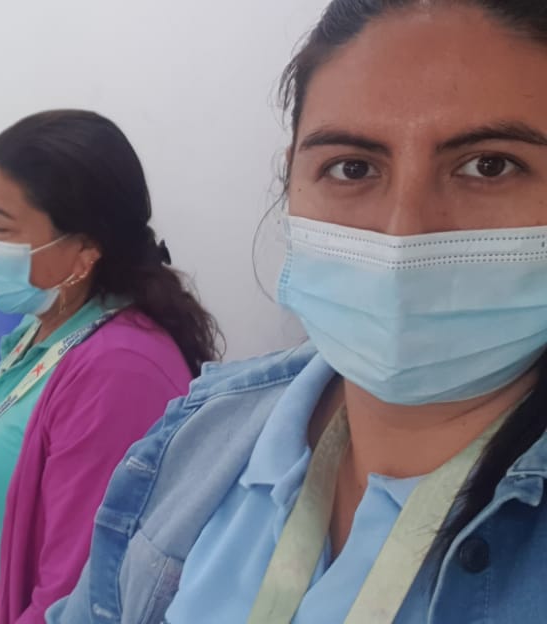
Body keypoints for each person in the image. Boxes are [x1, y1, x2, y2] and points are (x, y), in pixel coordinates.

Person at [49, 2, 547, 623]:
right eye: (352, 167)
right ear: (292, 183)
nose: (403, 232)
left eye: (489, 166)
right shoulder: (200, 434)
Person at [0, 110, 221, 624]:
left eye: (0, 226)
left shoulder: (118, 375)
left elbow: (71, 602)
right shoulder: (43, 325)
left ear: (83, 251)